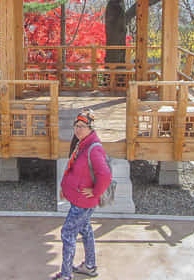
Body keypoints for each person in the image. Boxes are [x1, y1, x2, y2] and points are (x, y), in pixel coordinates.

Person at [53, 109, 112, 280]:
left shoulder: (93, 148)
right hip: (78, 198)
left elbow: (105, 175)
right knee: (85, 230)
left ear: (91, 129)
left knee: (67, 233)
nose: (78, 129)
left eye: (82, 126)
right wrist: (65, 189)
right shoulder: (82, 143)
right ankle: (90, 266)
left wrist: (95, 192)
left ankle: (66, 275)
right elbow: (74, 171)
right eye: (76, 126)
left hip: (83, 201)